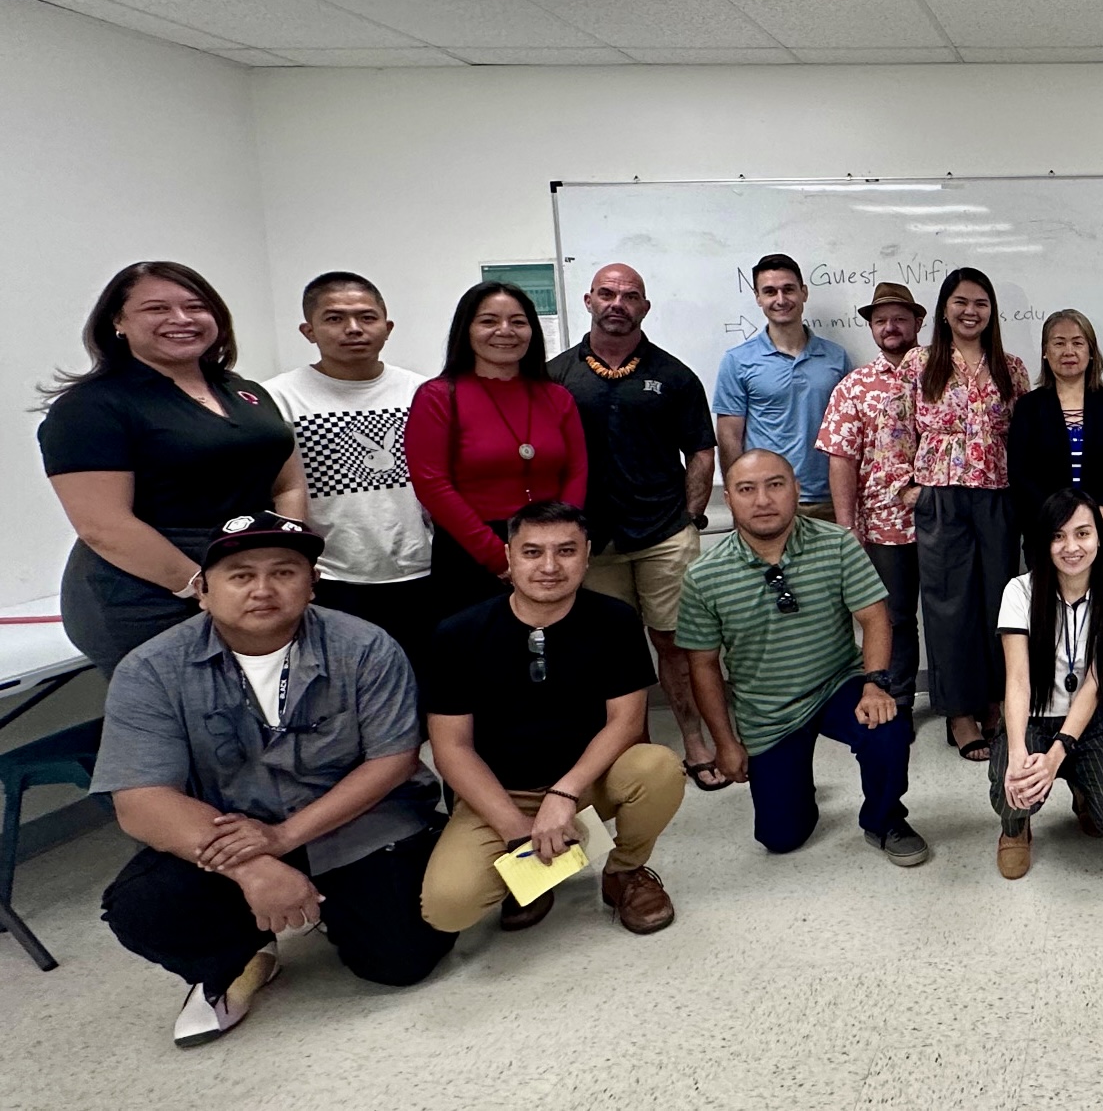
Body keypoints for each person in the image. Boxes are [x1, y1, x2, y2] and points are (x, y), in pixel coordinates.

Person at [91, 512, 452, 1047]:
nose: (262, 589)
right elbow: (141, 800)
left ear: (312, 585)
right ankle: (242, 953)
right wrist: (255, 867)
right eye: (240, 575)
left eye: (284, 572)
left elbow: (393, 760)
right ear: (204, 590)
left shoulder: (366, 647)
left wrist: (285, 838)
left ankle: (330, 909)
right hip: (232, 833)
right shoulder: (151, 670)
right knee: (142, 906)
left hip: (356, 825)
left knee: (401, 961)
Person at [419, 500, 683, 936]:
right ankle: (537, 873)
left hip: (584, 782)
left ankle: (624, 872)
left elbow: (626, 722)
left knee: (658, 768)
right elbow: (451, 748)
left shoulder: (614, 620)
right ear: (508, 555)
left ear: (587, 553)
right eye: (532, 552)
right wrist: (516, 831)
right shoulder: (458, 634)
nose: (549, 566)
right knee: (447, 909)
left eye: (566, 550)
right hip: (500, 792)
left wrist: (564, 795)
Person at [41, 262, 307, 677]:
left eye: (195, 306)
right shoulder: (90, 408)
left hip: (246, 582)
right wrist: (204, 586)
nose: (181, 319)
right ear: (117, 321)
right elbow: (104, 526)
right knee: (189, 727)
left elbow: (288, 482)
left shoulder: (245, 392)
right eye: (156, 309)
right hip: (147, 595)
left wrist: (288, 552)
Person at [681, 450, 930, 866]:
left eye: (775, 485)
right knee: (782, 837)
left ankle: (884, 819)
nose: (762, 500)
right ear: (731, 498)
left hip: (838, 684)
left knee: (888, 726)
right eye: (746, 489)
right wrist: (724, 743)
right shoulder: (704, 576)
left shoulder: (836, 544)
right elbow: (702, 665)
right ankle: (795, 786)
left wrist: (875, 685)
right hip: (768, 710)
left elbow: (875, 619)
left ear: (796, 489)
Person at [546, 264, 722, 793]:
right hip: (591, 542)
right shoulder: (556, 377)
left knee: (676, 643)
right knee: (612, 654)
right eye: (607, 293)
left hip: (664, 533)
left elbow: (701, 449)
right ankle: (636, 753)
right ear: (588, 300)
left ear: (645, 307)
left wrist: (690, 516)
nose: (617, 303)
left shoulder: (673, 375)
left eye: (630, 296)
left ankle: (693, 740)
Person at [262, 272, 434, 669]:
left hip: (417, 569)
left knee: (419, 682)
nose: (353, 329)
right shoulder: (278, 397)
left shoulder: (422, 391)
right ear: (309, 330)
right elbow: (275, 489)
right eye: (335, 318)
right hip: (332, 576)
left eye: (367, 317)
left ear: (387, 327)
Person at [897, 267, 1032, 763]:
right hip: (941, 495)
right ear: (944, 308)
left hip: (997, 494)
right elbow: (899, 429)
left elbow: (1022, 433)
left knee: (1001, 602)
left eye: (980, 302)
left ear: (992, 311)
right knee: (948, 604)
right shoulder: (920, 362)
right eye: (961, 301)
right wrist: (908, 488)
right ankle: (958, 711)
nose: (970, 311)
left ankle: (997, 700)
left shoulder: (1010, 366)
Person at [990, 490, 1103, 879]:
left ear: (1099, 537)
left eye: (1082, 534)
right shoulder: (1020, 591)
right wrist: (1016, 751)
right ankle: (1015, 828)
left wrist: (1058, 753)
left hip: (1088, 723)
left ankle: (1083, 788)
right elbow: (1017, 680)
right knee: (1016, 791)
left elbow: (1095, 686)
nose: (1071, 547)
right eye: (1058, 536)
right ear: (1044, 541)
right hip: (1030, 719)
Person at [406, 281, 586, 617]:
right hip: (471, 551)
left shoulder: (557, 397)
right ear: (467, 329)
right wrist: (499, 555)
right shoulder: (438, 396)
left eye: (518, 322)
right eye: (489, 321)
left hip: (549, 550)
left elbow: (576, 470)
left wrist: (562, 540)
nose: (505, 331)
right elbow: (432, 483)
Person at [817, 283, 927, 727]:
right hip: (884, 527)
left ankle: (964, 701)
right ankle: (898, 699)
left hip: (946, 521)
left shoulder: (945, 374)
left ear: (918, 322)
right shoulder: (854, 387)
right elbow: (841, 457)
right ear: (870, 327)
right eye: (881, 320)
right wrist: (847, 527)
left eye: (899, 318)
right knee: (895, 617)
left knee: (953, 614)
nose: (890, 327)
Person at [712, 253, 850, 519]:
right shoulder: (737, 361)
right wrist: (738, 501)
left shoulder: (837, 358)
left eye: (788, 289)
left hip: (829, 498)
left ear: (804, 293)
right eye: (770, 291)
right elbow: (729, 437)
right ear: (758, 298)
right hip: (766, 502)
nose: (780, 299)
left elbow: (849, 434)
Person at [1007, 309, 1103, 554]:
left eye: (1078, 343)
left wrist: (1101, 514)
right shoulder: (1029, 407)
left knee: (1102, 593)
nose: (1069, 351)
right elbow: (1019, 471)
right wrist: (1057, 517)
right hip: (1045, 528)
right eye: (1059, 343)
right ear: (1045, 351)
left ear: (1091, 351)